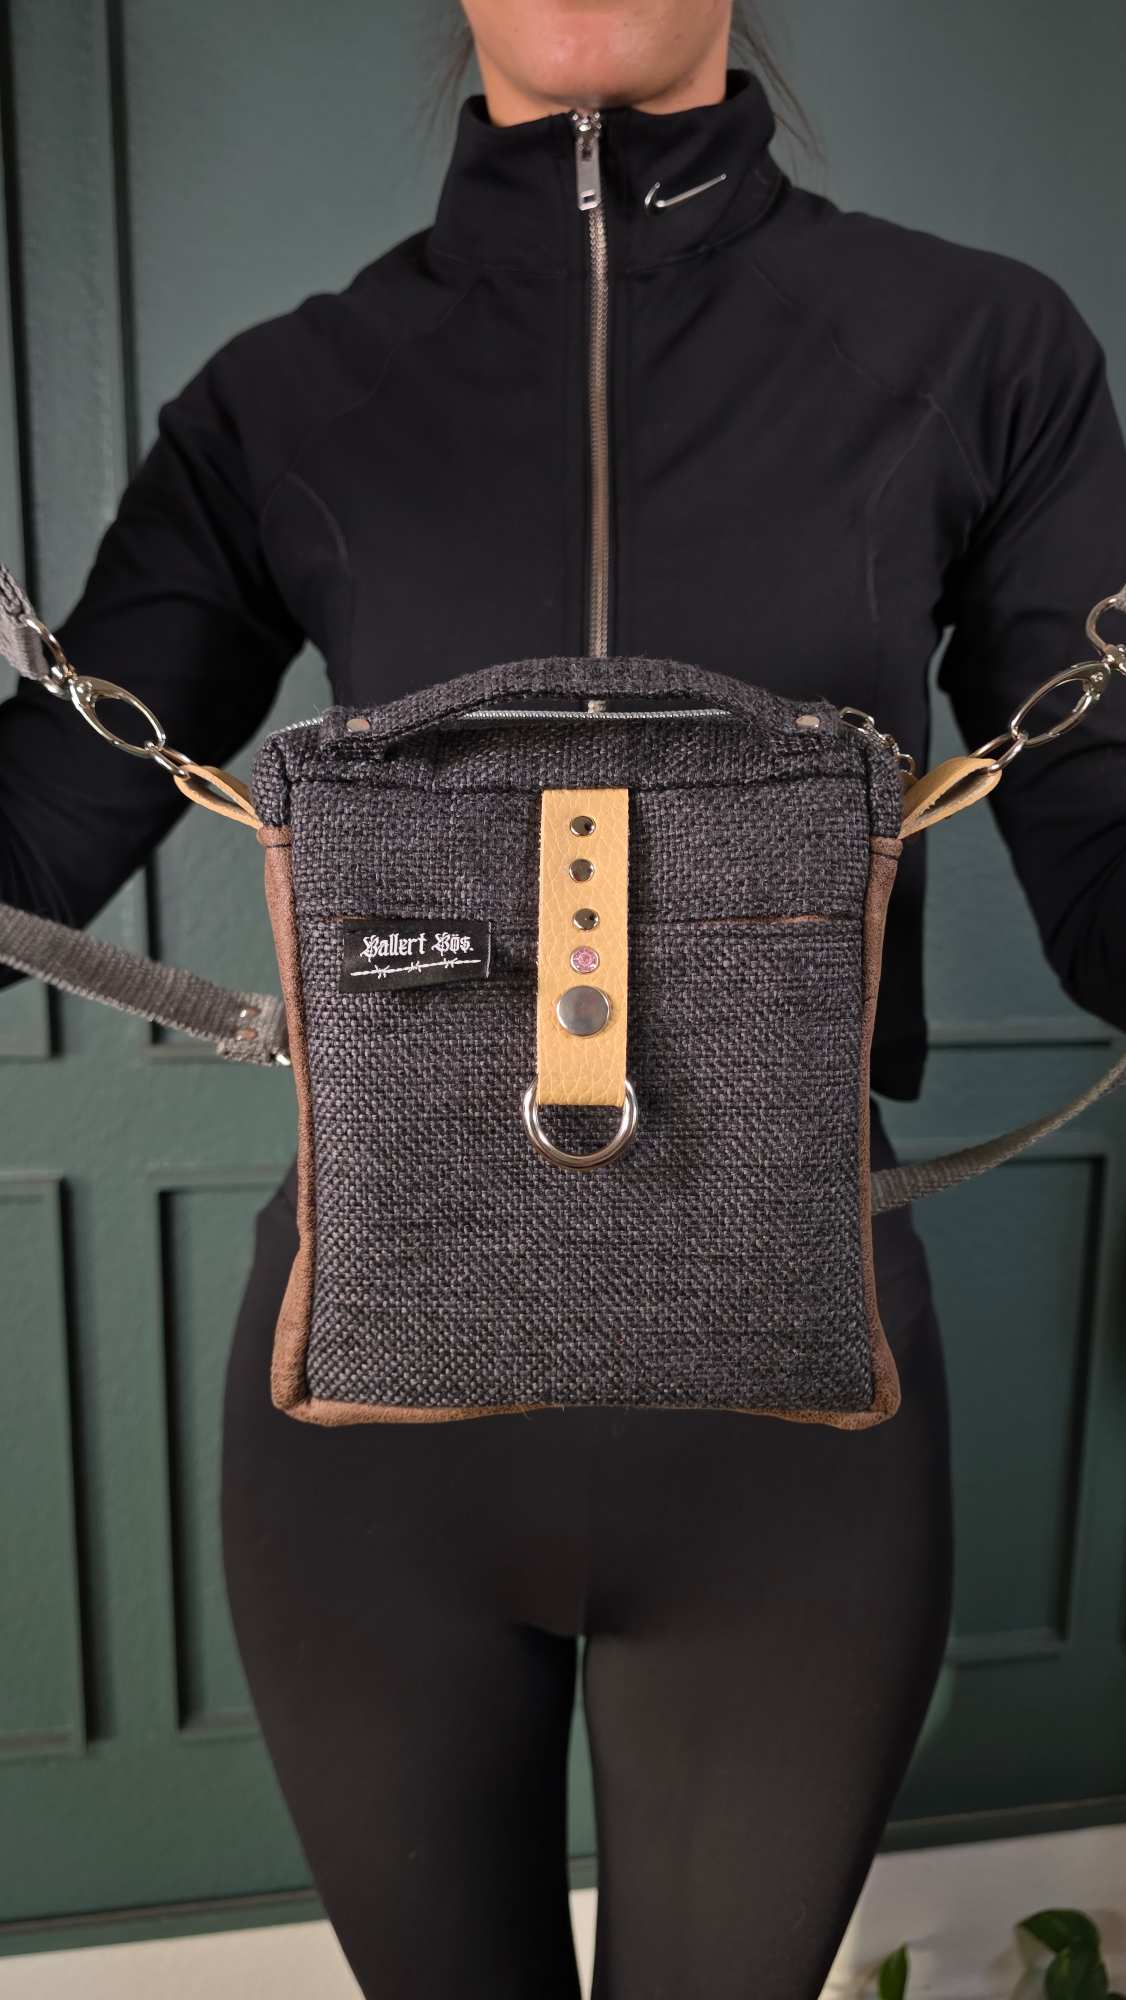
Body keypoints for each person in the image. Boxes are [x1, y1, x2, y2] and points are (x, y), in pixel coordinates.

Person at [2, 3, 1125, 1994]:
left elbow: (1104, 851)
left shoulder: (979, 344)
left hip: (799, 1409)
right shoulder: (286, 393)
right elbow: (43, 829)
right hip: (372, 1415)